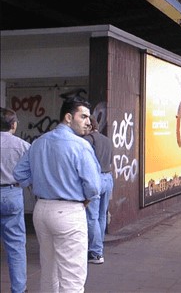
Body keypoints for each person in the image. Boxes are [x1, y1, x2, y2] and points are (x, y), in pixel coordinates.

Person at [13, 96, 101, 293]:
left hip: (42, 209)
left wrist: (39, 184)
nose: (88, 121)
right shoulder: (80, 145)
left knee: (49, 272)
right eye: (84, 116)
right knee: (72, 278)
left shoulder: (39, 142)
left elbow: (19, 173)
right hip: (69, 211)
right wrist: (86, 200)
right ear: (68, 117)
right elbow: (94, 187)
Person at [0, 108, 30, 293]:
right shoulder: (22, 145)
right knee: (16, 246)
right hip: (12, 193)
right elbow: (31, 172)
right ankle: (18, 289)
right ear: (13, 124)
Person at [83, 116, 113, 264]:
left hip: (96, 179)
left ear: (89, 126)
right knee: (102, 215)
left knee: (92, 216)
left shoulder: (88, 140)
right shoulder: (107, 140)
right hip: (108, 178)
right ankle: (99, 246)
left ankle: (95, 253)